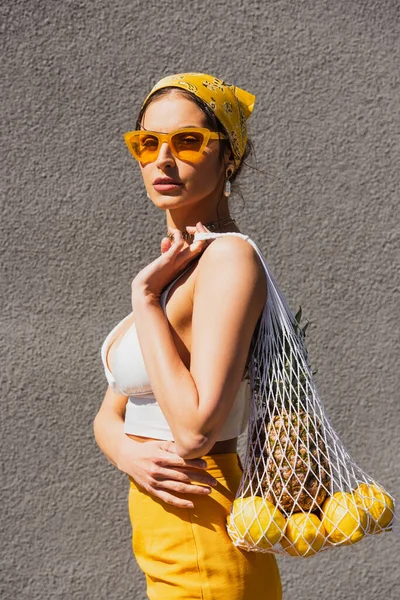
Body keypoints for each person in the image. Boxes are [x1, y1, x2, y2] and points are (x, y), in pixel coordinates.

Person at [93, 72, 282, 599]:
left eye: (188, 141)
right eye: (147, 143)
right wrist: (130, 456)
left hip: (204, 532)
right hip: (164, 533)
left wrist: (144, 299)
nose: (163, 160)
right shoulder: (176, 267)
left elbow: (197, 433)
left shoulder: (227, 258)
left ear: (229, 158)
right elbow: (110, 416)